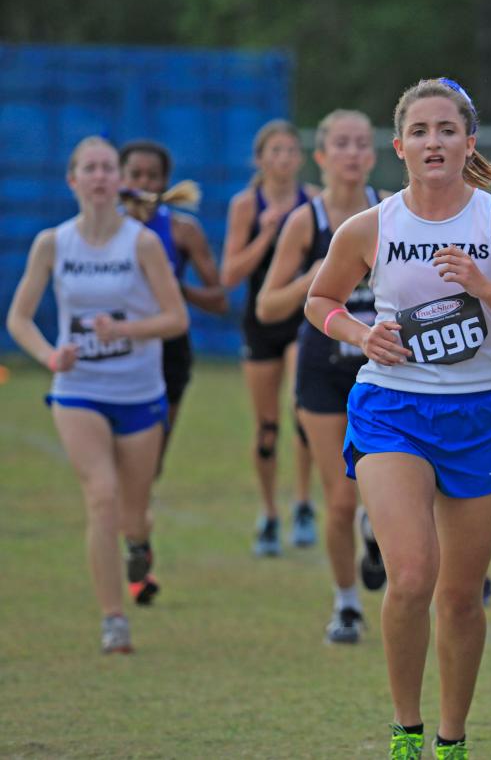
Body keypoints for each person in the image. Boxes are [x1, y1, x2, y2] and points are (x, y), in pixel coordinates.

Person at [304, 78, 491, 759]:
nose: (434, 142)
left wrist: (485, 288)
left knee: (460, 597)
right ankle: (406, 730)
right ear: (400, 148)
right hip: (392, 408)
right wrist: (360, 335)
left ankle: (452, 737)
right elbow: (319, 300)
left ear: (469, 143)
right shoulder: (371, 226)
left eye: (447, 129)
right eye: (419, 131)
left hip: (478, 414)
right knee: (411, 576)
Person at [6, 136, 188, 653]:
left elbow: (176, 319)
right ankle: (114, 620)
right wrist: (49, 356)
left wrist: (125, 332)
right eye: (91, 168)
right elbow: (18, 318)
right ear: (74, 180)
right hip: (78, 390)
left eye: (109, 168)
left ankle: (139, 542)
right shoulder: (53, 243)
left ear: (119, 181)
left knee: (133, 512)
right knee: (100, 497)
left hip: (139, 393)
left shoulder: (142, 243)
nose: (101, 176)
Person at [256, 109, 382, 643]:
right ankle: (347, 603)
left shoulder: (390, 214)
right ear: (323, 156)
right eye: (341, 144)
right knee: (341, 496)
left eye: (361, 143)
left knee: (387, 493)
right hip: (322, 372)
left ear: (374, 155)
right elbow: (267, 306)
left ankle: (376, 535)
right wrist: (316, 279)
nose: (353, 153)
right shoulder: (306, 222)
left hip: (381, 369)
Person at [118, 140, 228, 605]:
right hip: (116, 353)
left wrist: (172, 288)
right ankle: (134, 554)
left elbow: (219, 299)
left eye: (152, 176)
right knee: (112, 472)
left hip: (167, 356)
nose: (143, 184)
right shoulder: (101, 232)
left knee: (149, 466)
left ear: (164, 182)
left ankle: (138, 550)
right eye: (135, 175)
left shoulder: (182, 231)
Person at [220, 120, 318, 556]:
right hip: (260, 323)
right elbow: (230, 274)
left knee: (303, 414)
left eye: (290, 150)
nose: (283, 159)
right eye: (274, 151)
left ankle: (301, 504)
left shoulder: (314, 201)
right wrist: (265, 233)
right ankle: (268, 514)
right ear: (260, 160)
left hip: (302, 318)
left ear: (300, 157)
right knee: (267, 427)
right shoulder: (246, 205)